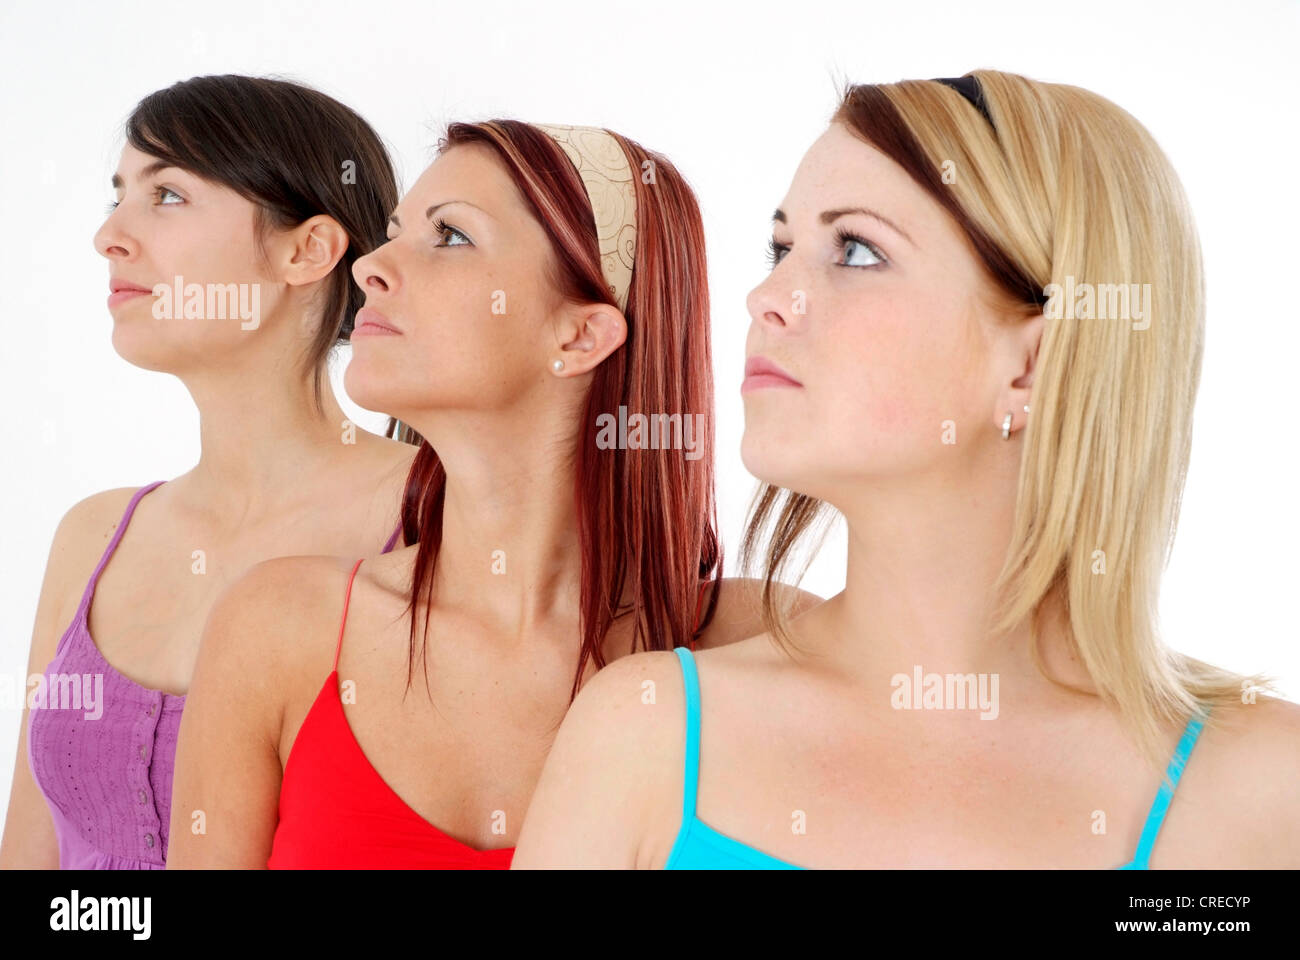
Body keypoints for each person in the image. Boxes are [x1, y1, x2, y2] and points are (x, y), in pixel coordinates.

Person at [511, 71, 1300, 869]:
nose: (767, 296)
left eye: (855, 250)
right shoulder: (645, 737)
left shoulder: (1260, 792)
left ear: (1032, 367)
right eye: (781, 247)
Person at [167, 119, 819, 869]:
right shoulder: (275, 629)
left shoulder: (763, 647)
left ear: (580, 336)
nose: (371, 266)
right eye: (392, 232)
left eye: (449, 237)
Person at [0, 74, 415, 870]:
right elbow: (31, 861)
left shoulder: (437, 521)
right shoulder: (93, 536)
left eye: (168, 196)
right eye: (117, 192)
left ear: (308, 251)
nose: (110, 236)